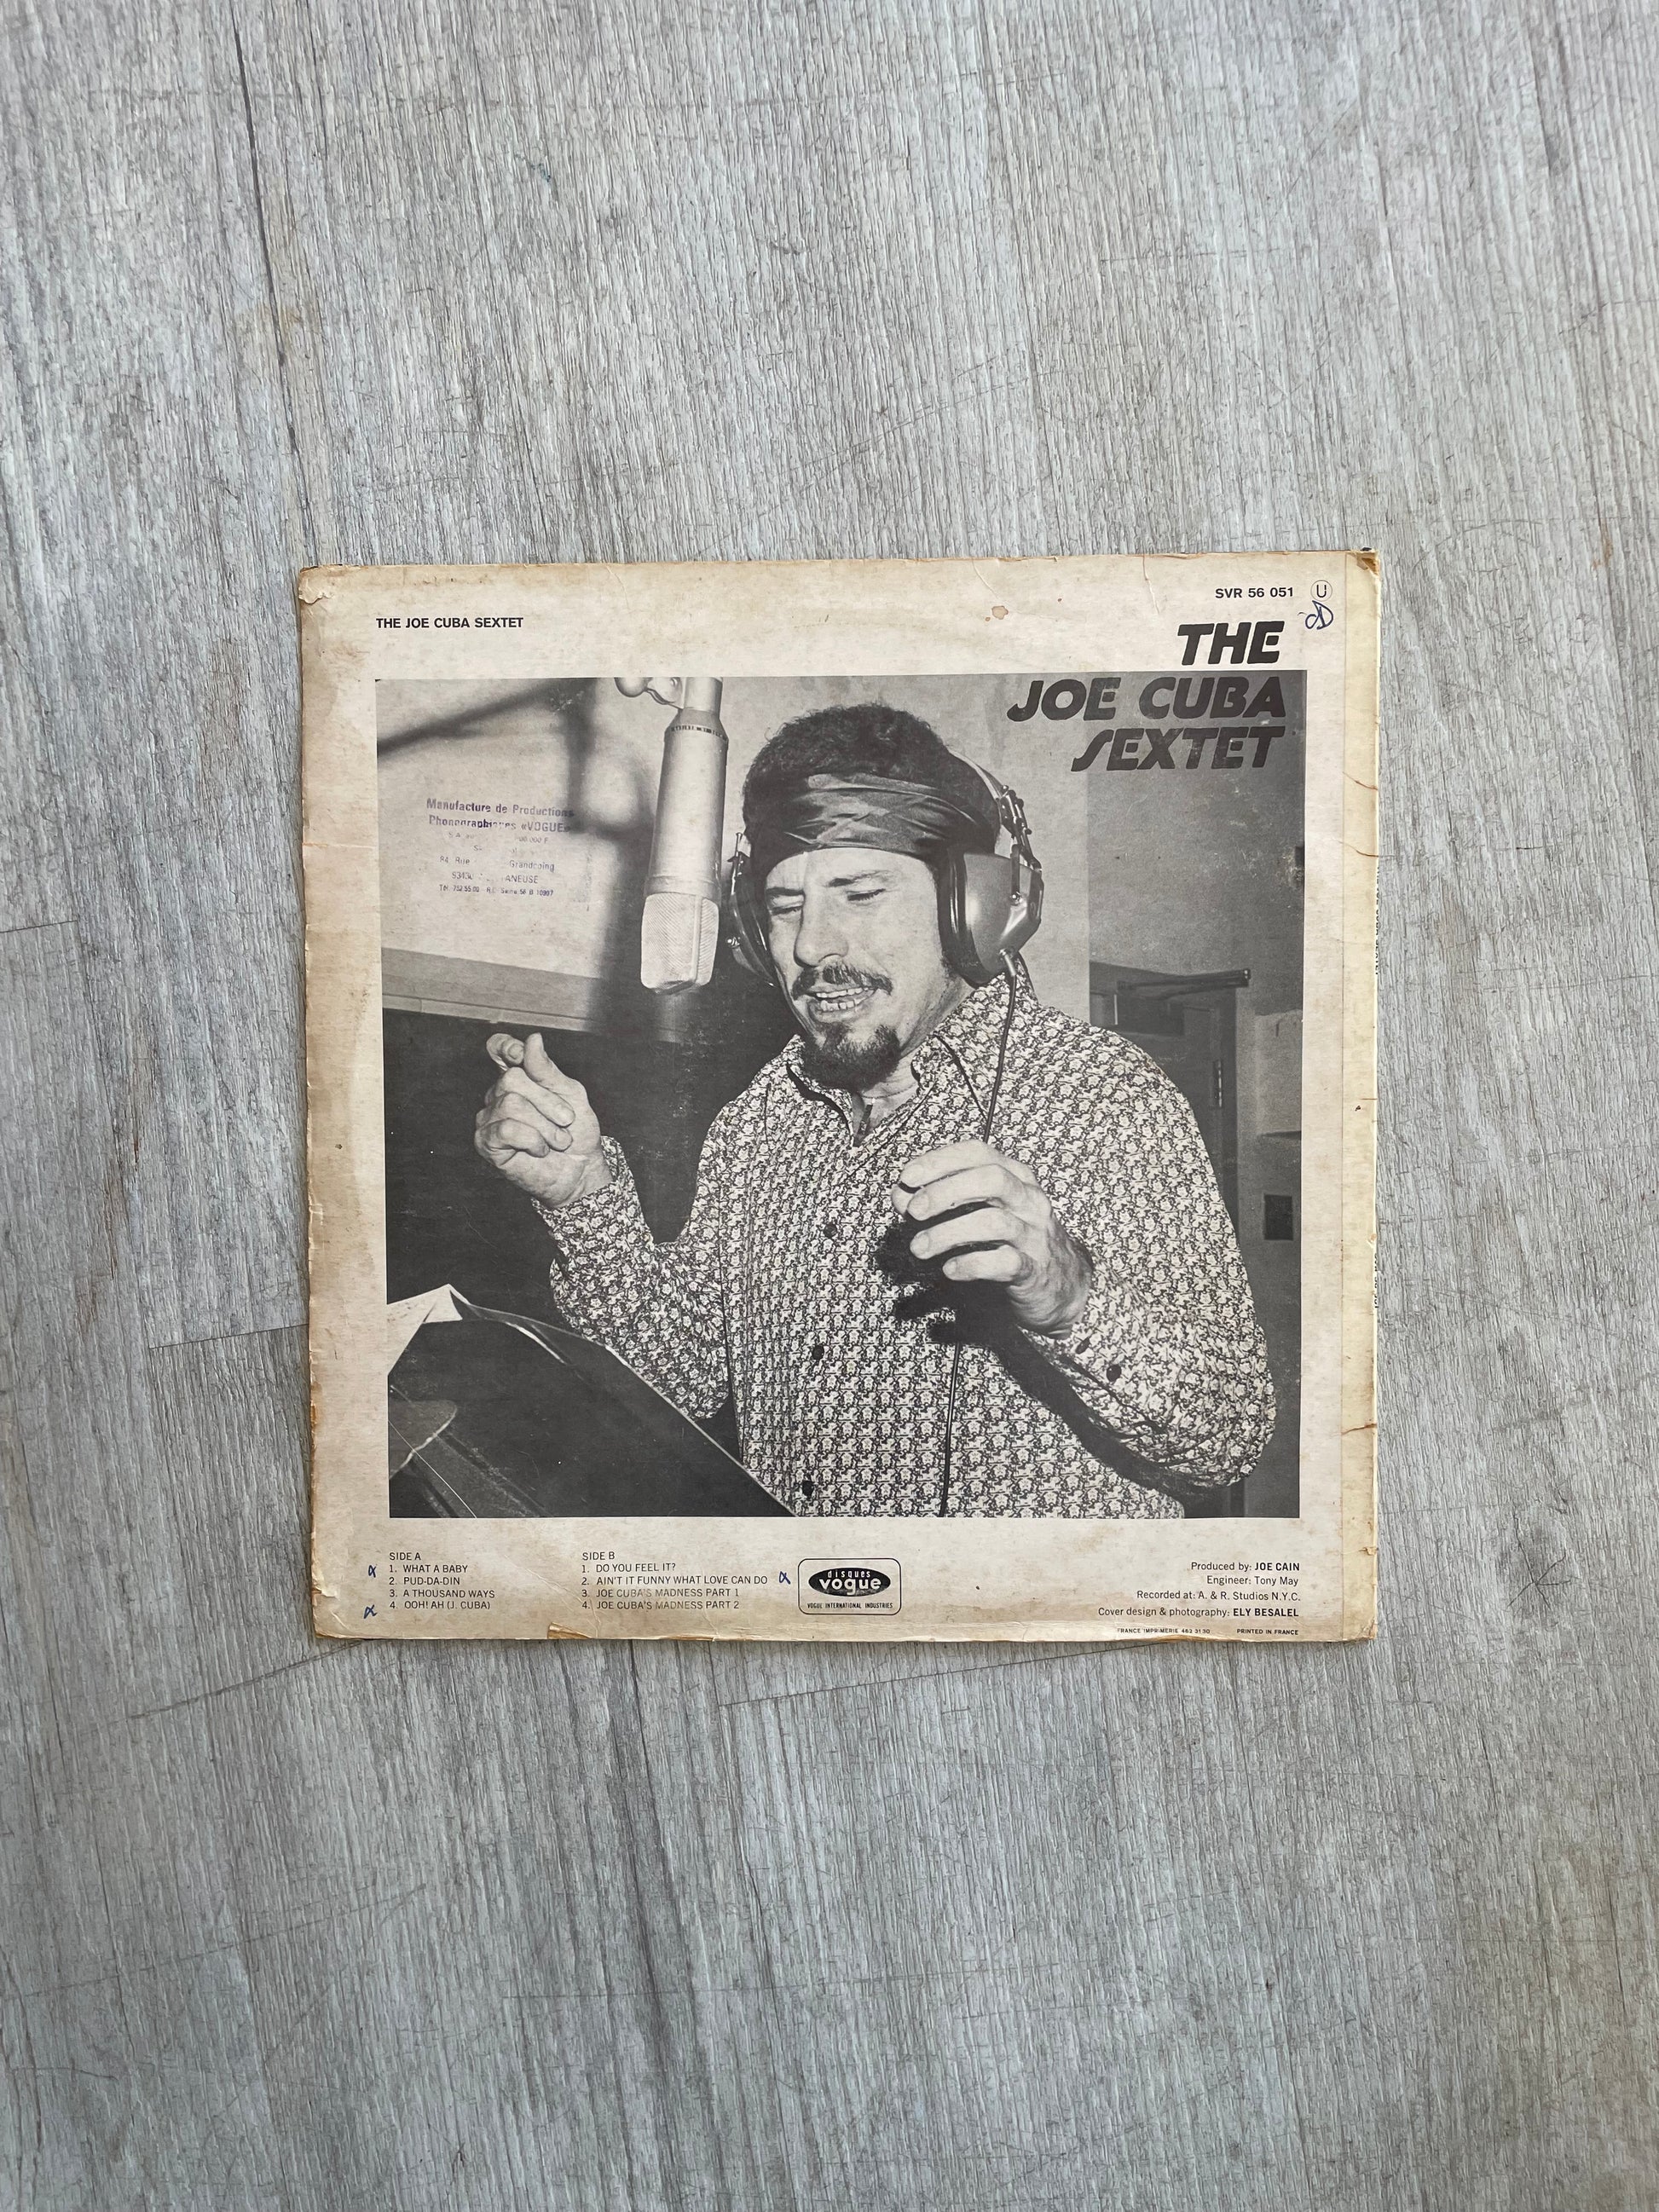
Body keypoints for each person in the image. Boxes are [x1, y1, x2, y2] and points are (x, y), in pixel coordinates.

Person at [475, 703, 1274, 1517]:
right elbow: (678, 1378)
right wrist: (582, 1197)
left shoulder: (1102, 1099)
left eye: (860, 894)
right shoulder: (755, 1125)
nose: (812, 946)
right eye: (785, 905)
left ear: (970, 908)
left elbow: (1229, 1436)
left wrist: (1070, 1295)